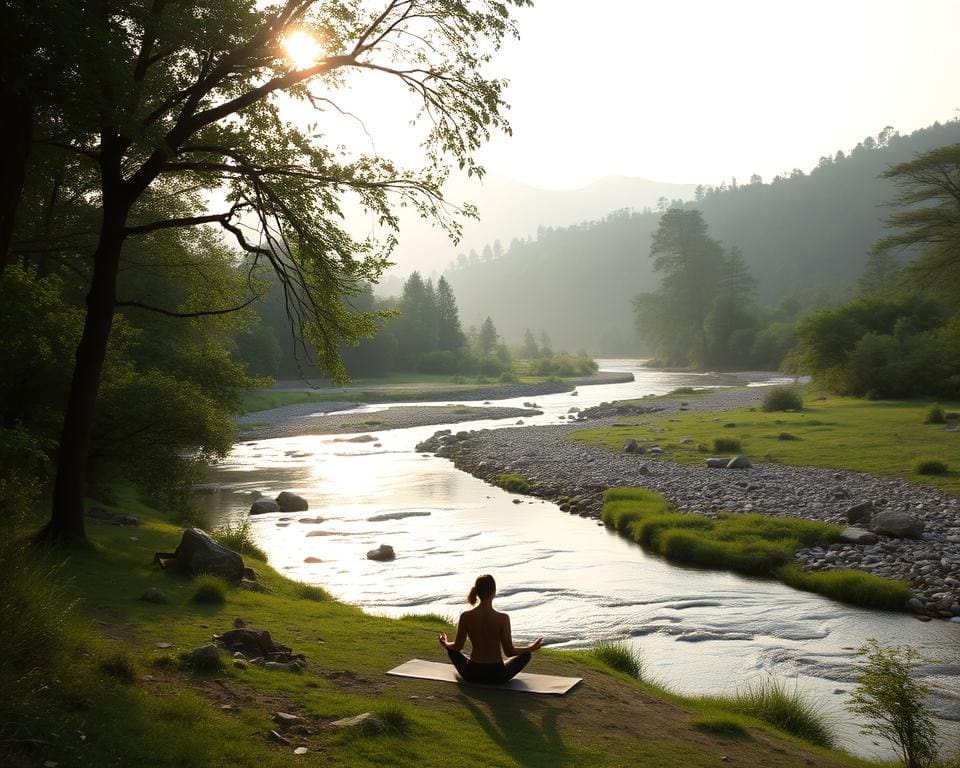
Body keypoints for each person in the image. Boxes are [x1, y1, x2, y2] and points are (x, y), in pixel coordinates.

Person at [438, 574, 543, 684]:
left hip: (472, 674)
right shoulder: (503, 618)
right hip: (498, 675)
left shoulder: (466, 616)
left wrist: (446, 644)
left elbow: (457, 647)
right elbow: (509, 651)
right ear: (494, 592)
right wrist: (530, 648)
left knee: (452, 651)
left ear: (477, 592)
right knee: (526, 655)